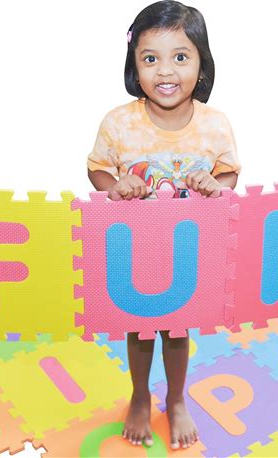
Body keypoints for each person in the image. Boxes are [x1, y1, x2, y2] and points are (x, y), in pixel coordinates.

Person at [87, 0, 242, 450]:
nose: (166, 71)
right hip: (136, 249)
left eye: (180, 56)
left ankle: (176, 399)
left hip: (188, 251)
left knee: (177, 330)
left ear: (202, 63)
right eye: (151, 58)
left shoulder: (215, 125)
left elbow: (229, 173)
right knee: (138, 329)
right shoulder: (119, 123)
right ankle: (139, 395)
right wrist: (115, 186)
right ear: (134, 65)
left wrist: (215, 185)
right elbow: (97, 168)